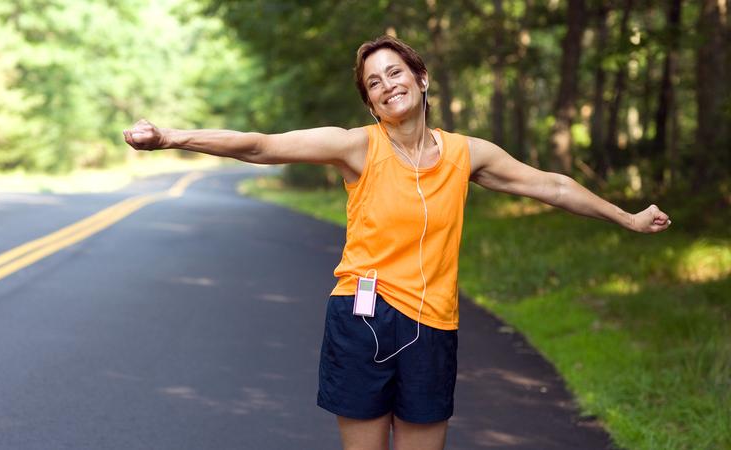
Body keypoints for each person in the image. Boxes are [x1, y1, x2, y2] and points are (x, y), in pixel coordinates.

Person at [123, 35, 670, 450]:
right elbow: (263, 145)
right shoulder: (358, 148)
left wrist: (625, 217)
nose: (388, 85)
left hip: (435, 323)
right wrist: (171, 136)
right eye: (375, 83)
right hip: (364, 318)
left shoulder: (466, 154)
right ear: (370, 103)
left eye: (395, 72)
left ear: (422, 77)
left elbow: (550, 184)